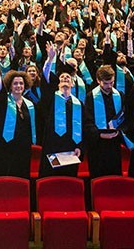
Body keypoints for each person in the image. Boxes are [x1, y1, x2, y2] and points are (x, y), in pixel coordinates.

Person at [39, 42, 83, 177]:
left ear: (72, 83)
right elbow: (46, 77)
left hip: (71, 148)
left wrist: (80, 146)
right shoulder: (51, 97)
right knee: (51, 180)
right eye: (62, 77)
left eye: (68, 77)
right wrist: (50, 59)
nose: (65, 78)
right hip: (53, 145)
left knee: (68, 181)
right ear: (57, 83)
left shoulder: (79, 103)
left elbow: (82, 127)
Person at [0, 49, 36, 178]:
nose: (18, 86)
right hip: (4, 147)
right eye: (15, 83)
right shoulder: (3, 101)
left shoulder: (29, 104)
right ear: (10, 86)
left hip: (23, 149)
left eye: (21, 83)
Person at [84, 65, 127, 177]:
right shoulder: (90, 97)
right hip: (98, 144)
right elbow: (87, 121)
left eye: (111, 83)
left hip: (114, 141)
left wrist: (118, 131)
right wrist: (100, 135)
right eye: (106, 83)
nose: (109, 86)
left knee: (114, 175)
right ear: (98, 80)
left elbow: (124, 117)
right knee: (98, 175)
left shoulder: (119, 95)